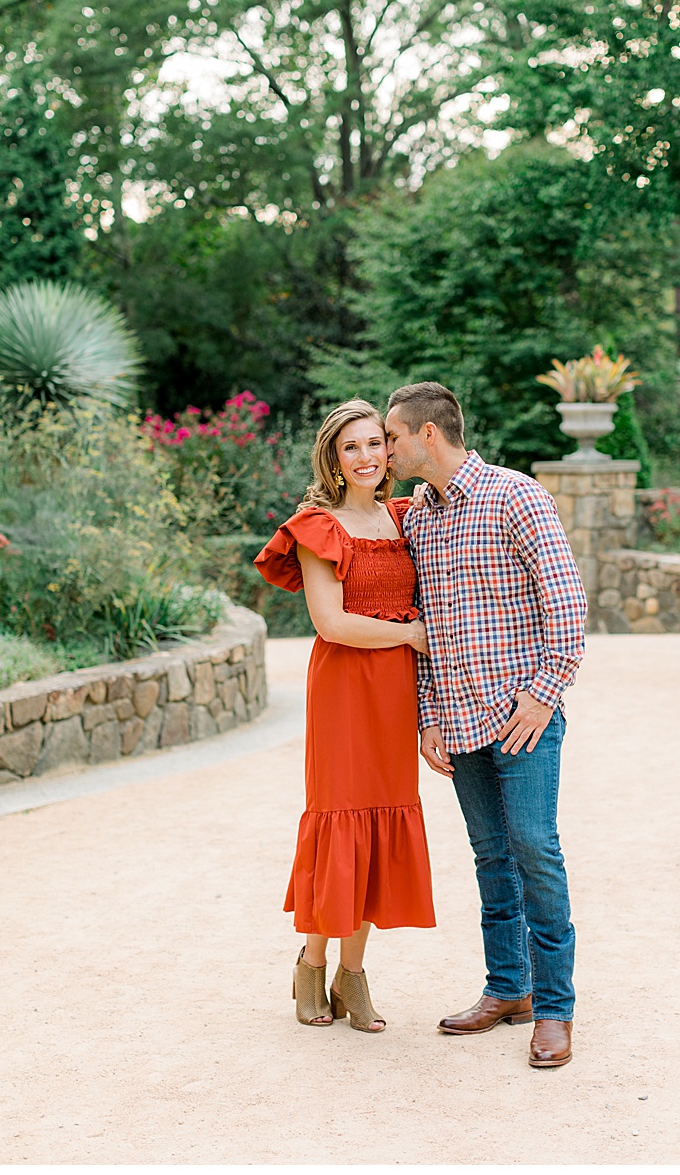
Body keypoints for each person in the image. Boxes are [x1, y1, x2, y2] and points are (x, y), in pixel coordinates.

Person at [383, 381, 587, 1069]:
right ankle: (508, 988)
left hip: (523, 718)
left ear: (428, 434)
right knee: (491, 857)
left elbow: (567, 604)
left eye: (392, 437)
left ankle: (554, 1008)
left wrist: (543, 696)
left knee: (535, 850)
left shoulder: (515, 495)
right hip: (460, 722)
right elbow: (426, 629)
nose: (386, 450)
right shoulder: (418, 518)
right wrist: (429, 719)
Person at [254, 399, 435, 1032]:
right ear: (333, 457)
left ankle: (350, 977)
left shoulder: (406, 517)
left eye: (374, 443)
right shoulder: (318, 526)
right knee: (341, 821)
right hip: (345, 690)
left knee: (380, 824)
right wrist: (411, 635)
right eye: (349, 447)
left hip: (395, 692)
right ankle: (311, 965)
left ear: (390, 450)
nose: (364, 456)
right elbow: (331, 623)